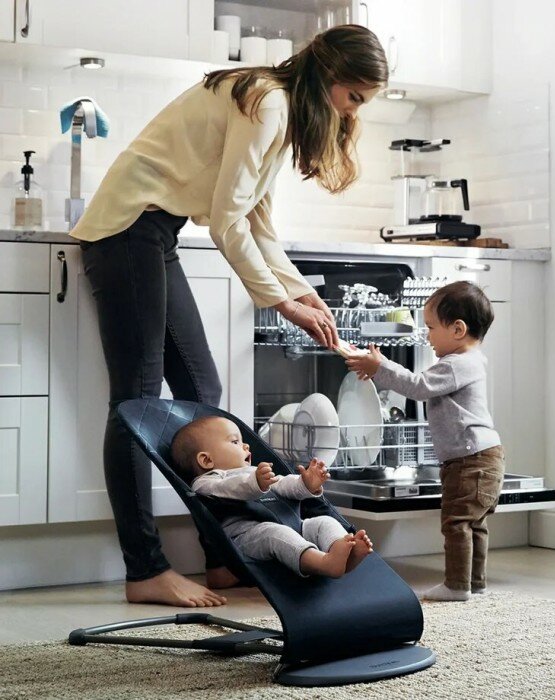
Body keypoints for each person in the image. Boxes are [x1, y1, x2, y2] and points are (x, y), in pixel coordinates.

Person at [69, 25, 388, 607]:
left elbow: (255, 217)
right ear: (330, 77)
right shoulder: (267, 101)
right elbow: (226, 221)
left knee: (202, 394)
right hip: (126, 227)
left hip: (156, 233)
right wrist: (279, 302)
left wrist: (300, 292)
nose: (351, 114)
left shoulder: (279, 108)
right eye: (353, 98)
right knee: (136, 402)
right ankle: (145, 568)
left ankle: (223, 554)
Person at [346, 281, 505, 601]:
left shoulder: (458, 364)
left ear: (458, 329)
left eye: (431, 328)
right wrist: (381, 367)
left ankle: (457, 586)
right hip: (480, 456)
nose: (427, 335)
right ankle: (474, 583)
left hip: (470, 459)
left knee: (457, 523)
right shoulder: (470, 360)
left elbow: (418, 387)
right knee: (473, 524)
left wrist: (381, 367)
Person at [171, 416, 374, 578]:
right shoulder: (206, 482)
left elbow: (283, 485)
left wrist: (306, 484)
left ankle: (344, 555)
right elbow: (231, 488)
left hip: (290, 525)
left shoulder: (253, 472)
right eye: (235, 441)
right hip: (247, 537)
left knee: (323, 522)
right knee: (274, 533)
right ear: (206, 460)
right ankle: (324, 563)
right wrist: (255, 482)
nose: (246, 446)